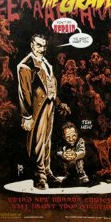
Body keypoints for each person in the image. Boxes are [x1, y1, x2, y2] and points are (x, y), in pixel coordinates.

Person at [18, 34, 71, 190]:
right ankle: (39, 176)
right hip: (37, 109)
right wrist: (27, 116)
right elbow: (24, 93)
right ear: (32, 45)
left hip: (50, 105)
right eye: (39, 45)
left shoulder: (46, 63)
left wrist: (59, 103)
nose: (42, 49)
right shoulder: (25, 65)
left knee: (47, 140)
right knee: (38, 142)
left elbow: (50, 87)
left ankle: (47, 172)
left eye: (44, 46)